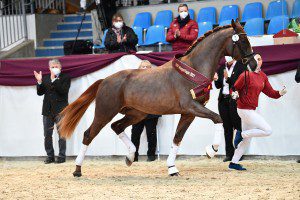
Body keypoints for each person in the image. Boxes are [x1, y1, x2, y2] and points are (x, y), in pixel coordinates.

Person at [229, 54, 287, 170]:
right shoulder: (245, 75)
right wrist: (234, 94)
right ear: (253, 61)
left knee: (246, 142)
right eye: (259, 59)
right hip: (243, 110)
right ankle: (241, 134)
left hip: (250, 110)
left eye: (261, 58)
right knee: (268, 130)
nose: (261, 60)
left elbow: (271, 92)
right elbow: (233, 88)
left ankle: (233, 163)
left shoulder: (263, 76)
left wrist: (280, 93)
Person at [34, 59, 71, 164]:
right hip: (47, 111)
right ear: (49, 68)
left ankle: (61, 156)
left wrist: (54, 80)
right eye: (52, 67)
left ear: (60, 67)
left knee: (62, 134)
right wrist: (40, 82)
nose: (54, 68)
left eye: (56, 66)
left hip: (61, 111)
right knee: (47, 135)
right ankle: (50, 156)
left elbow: (63, 91)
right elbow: (40, 93)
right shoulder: (45, 78)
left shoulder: (65, 78)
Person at [212, 56, 246, 162]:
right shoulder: (222, 67)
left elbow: (239, 84)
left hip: (234, 99)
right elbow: (218, 86)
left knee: (237, 126)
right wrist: (216, 79)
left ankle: (239, 153)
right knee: (227, 128)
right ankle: (229, 154)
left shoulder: (241, 66)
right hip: (223, 100)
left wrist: (228, 79)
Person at [131, 60, 161, 162]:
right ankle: (134, 157)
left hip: (151, 112)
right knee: (135, 135)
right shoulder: (133, 81)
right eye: (143, 67)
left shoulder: (156, 81)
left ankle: (151, 156)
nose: (145, 69)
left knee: (151, 135)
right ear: (139, 68)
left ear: (150, 69)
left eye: (147, 67)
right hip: (137, 112)